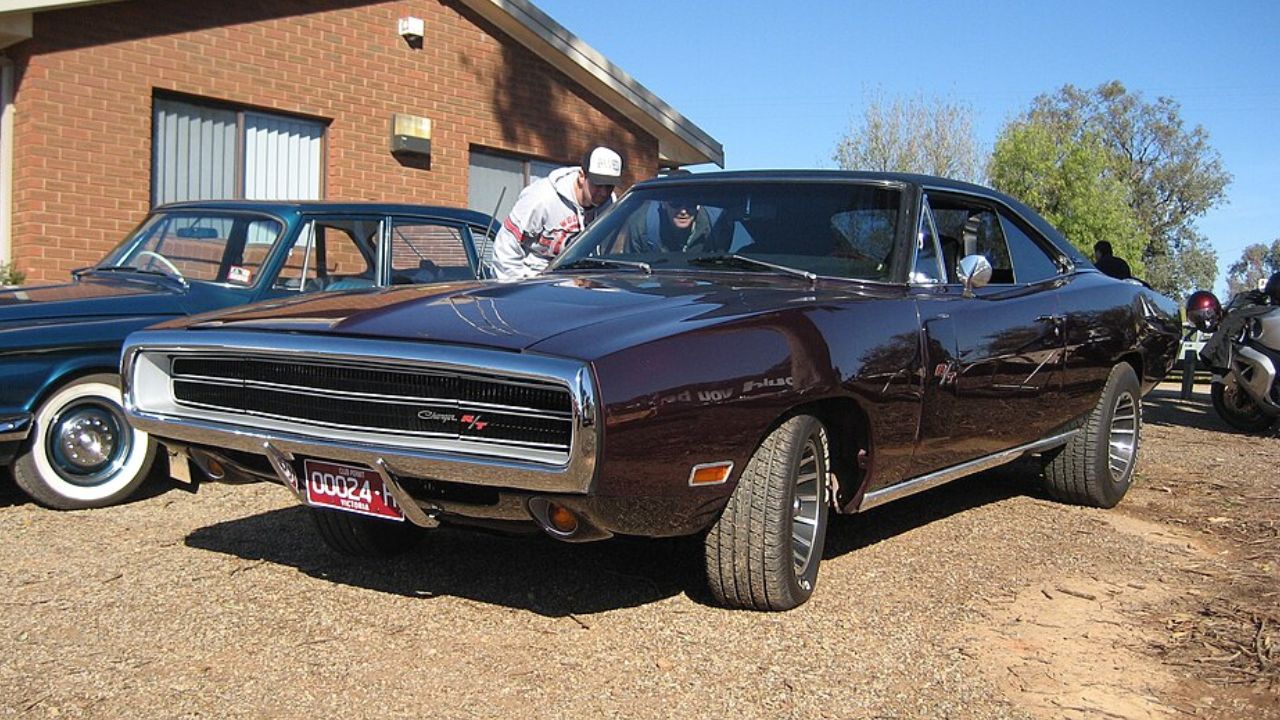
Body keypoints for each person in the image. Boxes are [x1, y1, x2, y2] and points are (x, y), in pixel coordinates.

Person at [490, 146, 624, 281]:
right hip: (530, 280)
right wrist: (516, 287)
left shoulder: (610, 203)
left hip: (574, 284)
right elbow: (506, 246)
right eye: (598, 184)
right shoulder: (541, 198)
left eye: (609, 186)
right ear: (582, 176)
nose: (603, 193)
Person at [624, 197, 710, 253]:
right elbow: (630, 272)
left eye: (690, 204)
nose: (683, 211)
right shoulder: (642, 226)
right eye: (676, 203)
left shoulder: (713, 228)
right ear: (664, 204)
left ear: (698, 206)